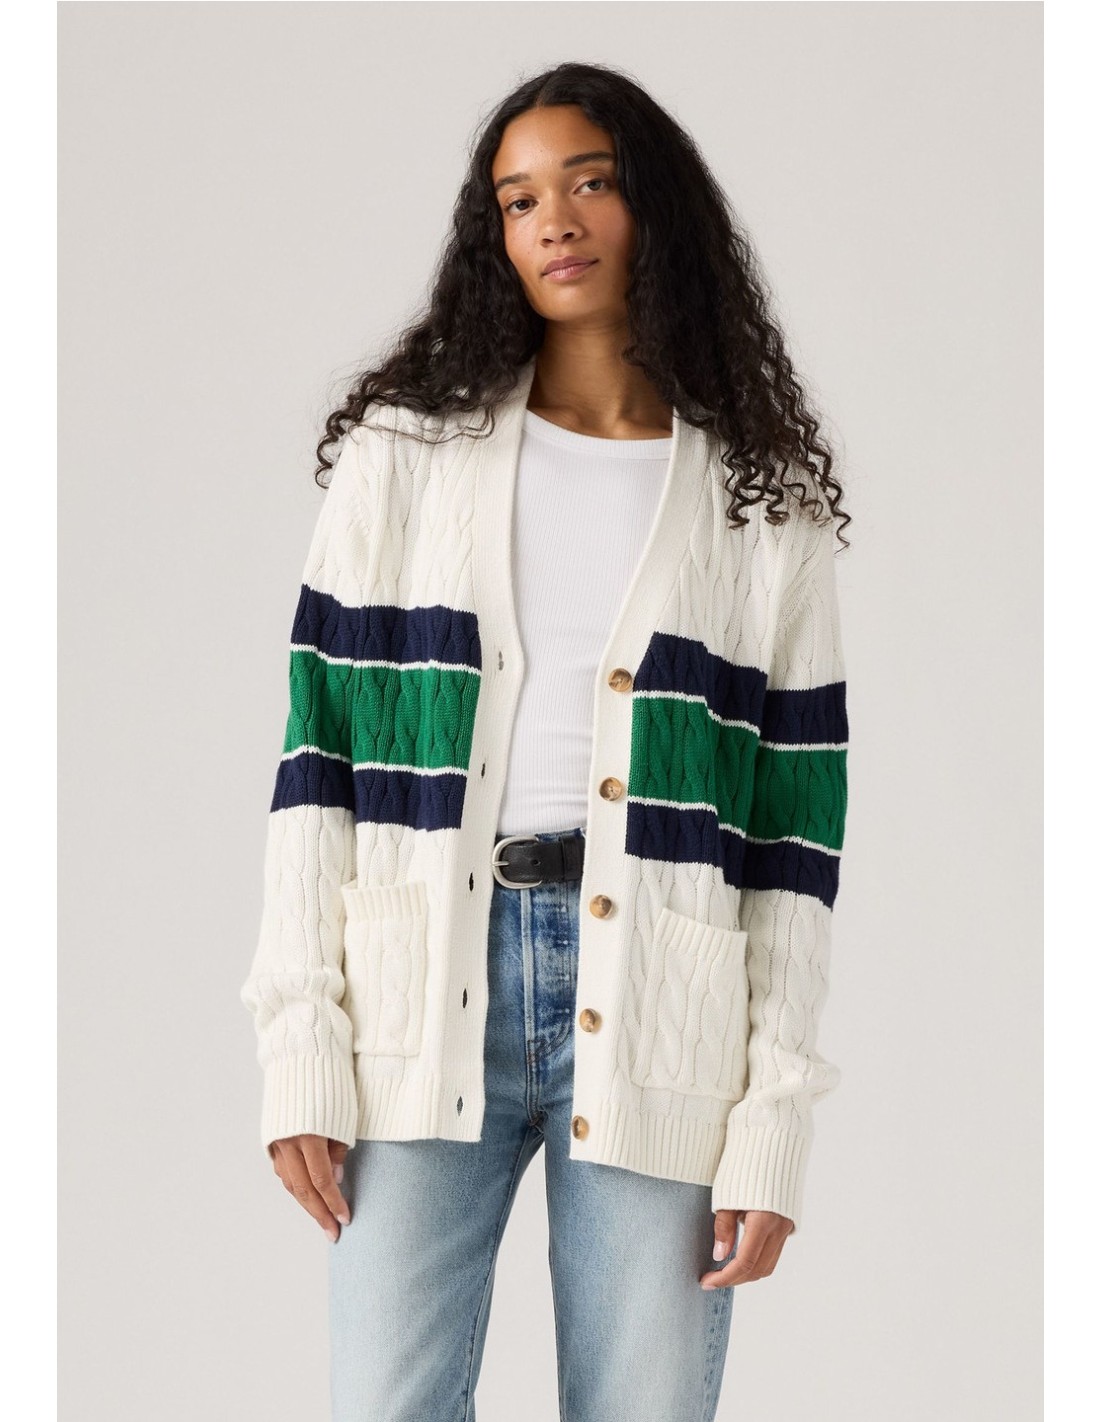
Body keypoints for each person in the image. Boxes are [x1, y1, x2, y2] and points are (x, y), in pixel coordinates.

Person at [241, 59, 851, 1422]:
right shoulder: (407, 457)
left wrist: (773, 1116)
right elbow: (315, 766)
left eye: (589, 183)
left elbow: (792, 845)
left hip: (664, 1006)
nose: (555, 220)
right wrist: (301, 1038)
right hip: (419, 990)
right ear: (495, 236)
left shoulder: (762, 505)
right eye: (519, 200)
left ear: (656, 207)